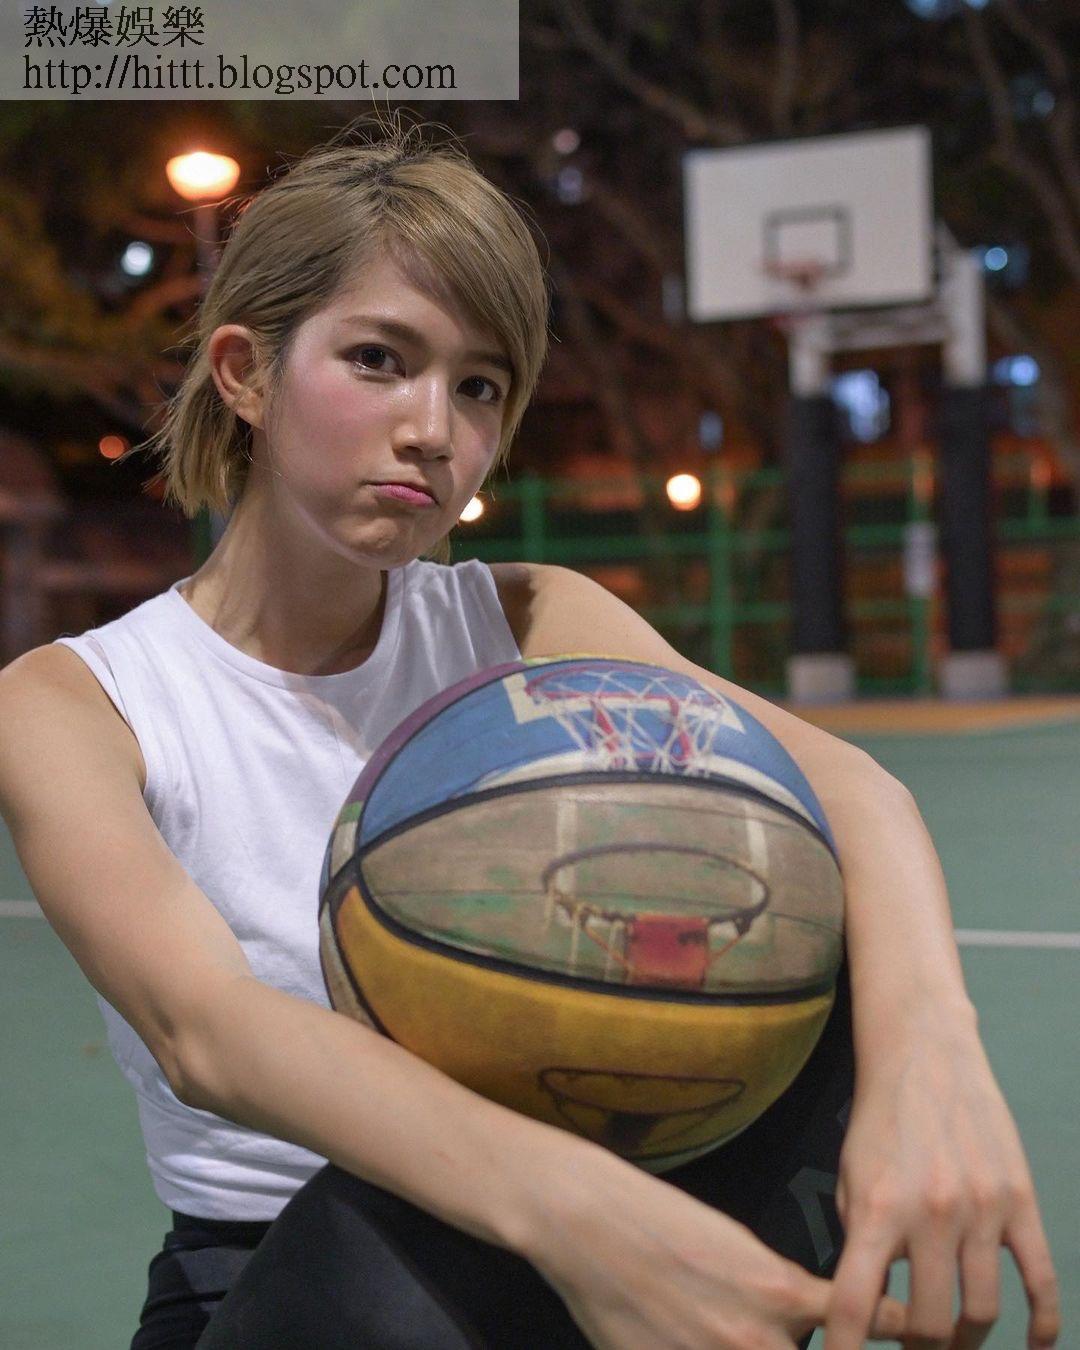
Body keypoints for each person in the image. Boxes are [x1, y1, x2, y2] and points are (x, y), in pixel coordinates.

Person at [0, 112, 1059, 1350]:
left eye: (480, 385)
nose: (434, 428)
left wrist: (935, 1057)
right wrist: (577, 1212)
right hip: (300, 1282)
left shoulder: (529, 620)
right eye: (380, 359)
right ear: (244, 372)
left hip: (571, 1223)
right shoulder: (74, 705)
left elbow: (851, 794)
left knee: (830, 1007)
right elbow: (209, 1033)